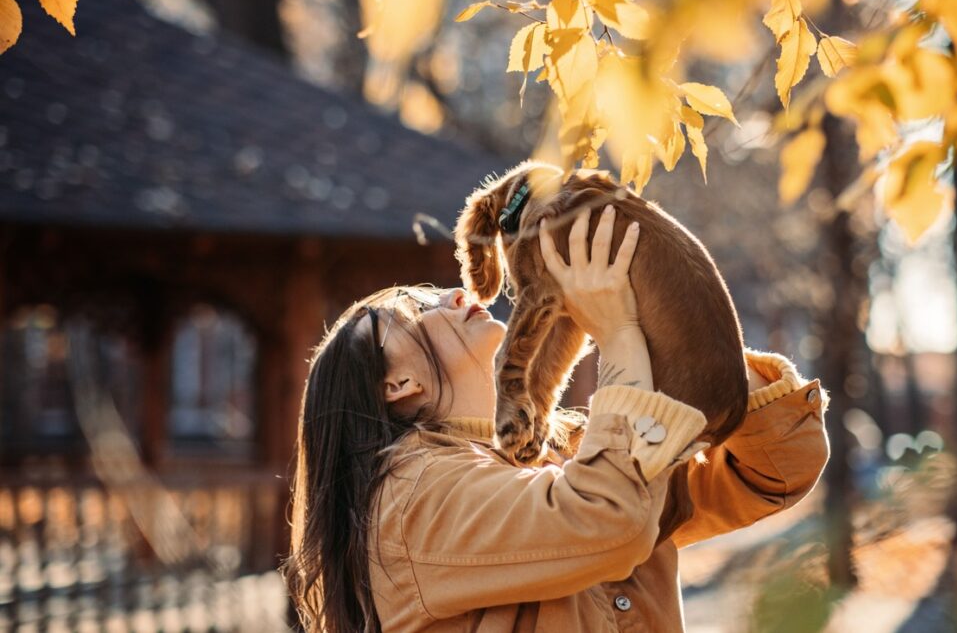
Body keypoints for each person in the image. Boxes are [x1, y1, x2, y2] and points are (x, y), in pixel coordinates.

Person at [282, 205, 830, 633]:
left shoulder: (560, 453)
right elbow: (608, 520)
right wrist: (618, 336)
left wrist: (661, 311)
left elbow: (774, 471)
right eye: (415, 312)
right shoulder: (410, 498)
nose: (451, 295)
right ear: (397, 385)